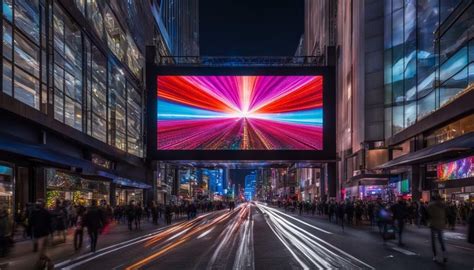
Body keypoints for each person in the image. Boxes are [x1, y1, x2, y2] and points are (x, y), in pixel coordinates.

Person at [427, 194, 447, 263]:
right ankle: (444, 255)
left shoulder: (430, 205)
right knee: (441, 240)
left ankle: (435, 256)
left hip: (433, 224)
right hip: (441, 224)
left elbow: (428, 214)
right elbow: (446, 213)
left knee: (433, 241)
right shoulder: (443, 205)